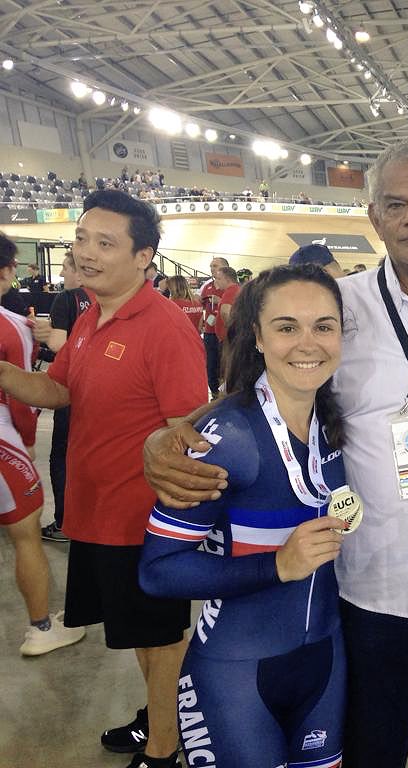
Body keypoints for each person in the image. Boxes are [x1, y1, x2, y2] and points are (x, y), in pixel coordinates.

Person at [142, 139, 408, 768]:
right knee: (370, 752)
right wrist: (164, 438)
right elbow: (263, 387)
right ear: (374, 217)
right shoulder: (339, 309)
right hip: (367, 588)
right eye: (397, 204)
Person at [0, 190, 206, 768]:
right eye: (82, 241)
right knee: (141, 636)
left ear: (145, 257)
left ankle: (166, 747)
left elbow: (186, 431)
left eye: (105, 243)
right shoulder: (93, 315)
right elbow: (60, 391)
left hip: (142, 521)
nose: (87, 253)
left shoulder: (164, 328)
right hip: (96, 512)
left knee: (161, 640)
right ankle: (160, 717)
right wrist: (5, 374)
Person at [140, 264, 350, 768]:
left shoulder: (339, 425)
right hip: (235, 674)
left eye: (324, 326)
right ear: (256, 337)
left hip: (325, 663)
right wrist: (276, 565)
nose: (308, 343)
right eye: (286, 327)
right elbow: (158, 570)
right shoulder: (229, 437)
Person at [0, 233, 85, 655]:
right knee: (25, 534)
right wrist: (26, 442)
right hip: (5, 443)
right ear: (8, 272)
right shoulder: (10, 326)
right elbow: (23, 393)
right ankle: (40, 628)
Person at [31, 251, 92, 542]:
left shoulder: (67, 299)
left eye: (65, 270)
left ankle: (64, 522)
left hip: (71, 389)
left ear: (78, 272)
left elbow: (61, 346)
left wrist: (42, 340)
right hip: (102, 392)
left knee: (63, 456)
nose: (63, 277)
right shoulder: (104, 300)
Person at [199, 257, 229, 398]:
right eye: (211, 266)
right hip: (210, 331)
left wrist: (220, 301)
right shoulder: (207, 286)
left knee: (225, 362)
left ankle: (225, 392)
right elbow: (201, 305)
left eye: (215, 265)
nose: (212, 268)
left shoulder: (232, 288)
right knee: (210, 362)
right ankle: (214, 393)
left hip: (225, 333)